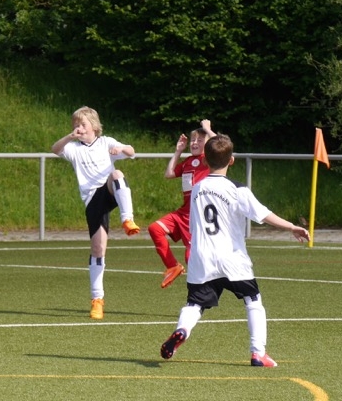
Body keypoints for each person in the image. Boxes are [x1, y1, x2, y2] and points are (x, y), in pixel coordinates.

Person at [160, 134, 310, 367]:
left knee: (195, 304)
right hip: (231, 258)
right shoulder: (237, 189)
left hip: (202, 258)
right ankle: (258, 353)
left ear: (205, 161)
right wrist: (291, 227)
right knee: (253, 299)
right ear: (231, 160)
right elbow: (263, 214)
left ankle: (182, 330)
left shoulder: (197, 188)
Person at [51, 106, 140, 320]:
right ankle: (97, 300)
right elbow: (55, 149)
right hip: (93, 199)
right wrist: (69, 136)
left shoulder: (106, 142)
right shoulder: (74, 148)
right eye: (76, 125)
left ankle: (127, 219)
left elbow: (131, 151)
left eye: (83, 124)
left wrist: (121, 149)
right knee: (98, 249)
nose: (79, 128)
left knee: (117, 174)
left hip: (108, 190)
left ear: (94, 126)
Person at [148, 120, 216, 288]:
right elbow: (169, 174)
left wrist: (208, 129)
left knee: (190, 256)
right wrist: (178, 151)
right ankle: (173, 266)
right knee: (155, 228)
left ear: (208, 144)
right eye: (193, 140)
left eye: (200, 140)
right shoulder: (187, 162)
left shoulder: (210, 160)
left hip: (198, 216)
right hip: (183, 213)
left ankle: (203, 288)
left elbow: (222, 147)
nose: (194, 143)